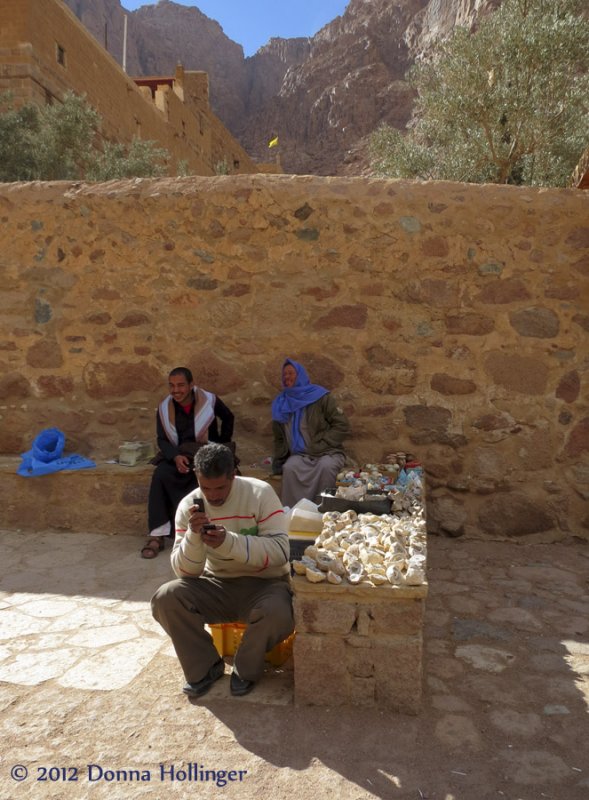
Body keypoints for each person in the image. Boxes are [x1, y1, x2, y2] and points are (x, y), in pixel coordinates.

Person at [151, 443, 293, 698]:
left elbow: (281, 552)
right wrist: (194, 537)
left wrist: (229, 542)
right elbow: (185, 572)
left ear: (233, 476)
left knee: (280, 612)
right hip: (216, 584)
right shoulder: (188, 506)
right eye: (206, 488)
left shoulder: (260, 493)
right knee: (167, 597)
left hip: (265, 585)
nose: (213, 496)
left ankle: (246, 669)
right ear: (197, 478)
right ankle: (205, 667)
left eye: (220, 488)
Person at [141, 367, 235, 559]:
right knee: (161, 475)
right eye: (172, 386)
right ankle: (157, 536)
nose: (176, 390)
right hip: (178, 455)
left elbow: (228, 417)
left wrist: (221, 446)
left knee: (205, 478)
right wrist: (175, 456)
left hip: (205, 453)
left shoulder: (209, 400)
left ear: (191, 385)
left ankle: (205, 531)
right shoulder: (164, 407)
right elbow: (162, 439)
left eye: (181, 385)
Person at [271, 357, 350, 507]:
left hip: (326, 451)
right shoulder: (280, 403)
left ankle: (323, 511)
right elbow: (279, 438)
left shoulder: (320, 397)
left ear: (300, 375)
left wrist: (323, 443)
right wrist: (279, 459)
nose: (286, 377)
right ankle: (294, 513)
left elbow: (341, 424)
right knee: (290, 468)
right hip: (300, 455)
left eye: (290, 373)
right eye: (284, 374)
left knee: (326, 468)